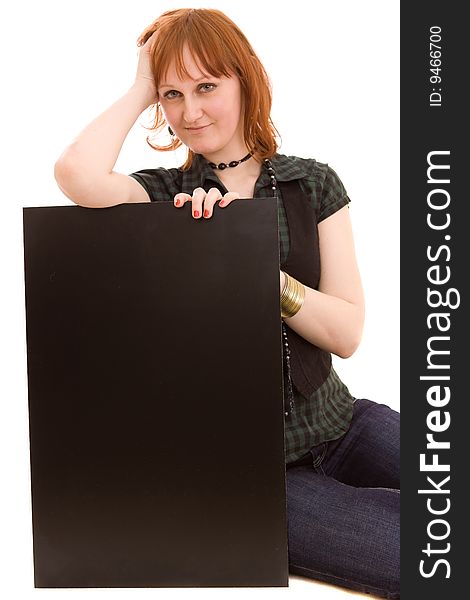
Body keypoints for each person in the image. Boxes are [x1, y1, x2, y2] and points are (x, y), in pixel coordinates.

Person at [54, 8, 400, 599]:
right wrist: (142, 83)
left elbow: (346, 333)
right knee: (423, 553)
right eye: (173, 93)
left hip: (343, 424)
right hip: (259, 474)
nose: (190, 111)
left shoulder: (311, 184)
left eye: (208, 86)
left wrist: (258, 274)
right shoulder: (164, 196)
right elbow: (77, 175)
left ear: (245, 81)